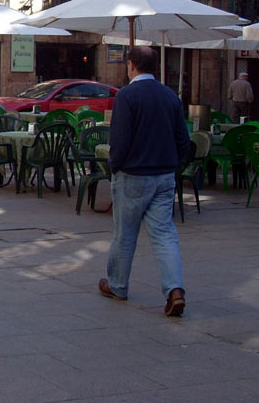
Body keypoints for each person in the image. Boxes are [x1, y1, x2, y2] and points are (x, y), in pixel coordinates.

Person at [99, 45, 190, 318]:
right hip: (164, 175)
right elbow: (183, 139)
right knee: (164, 235)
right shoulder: (170, 96)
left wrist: (115, 165)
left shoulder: (127, 95)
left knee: (125, 234)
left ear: (131, 66)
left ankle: (118, 285)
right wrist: (173, 162)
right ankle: (175, 290)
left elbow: (120, 139)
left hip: (133, 175)